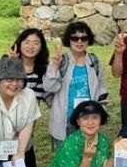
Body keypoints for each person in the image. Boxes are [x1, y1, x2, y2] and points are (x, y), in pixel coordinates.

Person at [0, 29, 49, 167]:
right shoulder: (4, 62)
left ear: (41, 47)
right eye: (27, 42)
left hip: (26, 125)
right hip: (3, 123)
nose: (31, 46)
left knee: (25, 159)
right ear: (19, 43)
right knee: (4, 161)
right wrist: (10, 64)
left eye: (36, 43)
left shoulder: (43, 71)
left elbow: (45, 97)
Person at [44, 21, 108, 149]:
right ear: (69, 40)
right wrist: (55, 66)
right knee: (65, 156)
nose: (79, 42)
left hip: (89, 118)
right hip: (66, 120)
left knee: (87, 155)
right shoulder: (61, 61)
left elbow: (102, 84)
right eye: (75, 38)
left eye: (83, 38)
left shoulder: (94, 60)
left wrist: (101, 108)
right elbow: (49, 87)